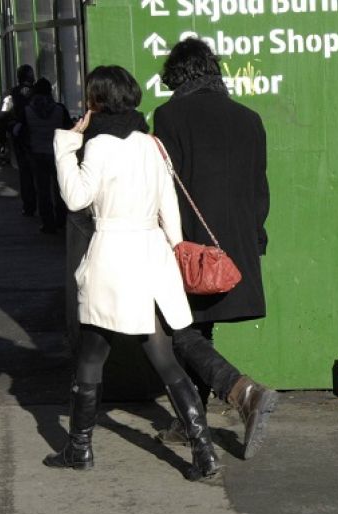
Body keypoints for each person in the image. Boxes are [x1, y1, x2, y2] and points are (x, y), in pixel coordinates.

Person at [44, 65, 221, 481]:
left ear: (97, 100)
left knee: (91, 356)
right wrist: (175, 252)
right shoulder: (151, 145)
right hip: (150, 257)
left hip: (112, 259)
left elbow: (75, 197)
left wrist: (68, 144)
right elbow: (169, 209)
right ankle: (204, 451)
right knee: (164, 357)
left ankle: (79, 449)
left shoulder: (100, 145)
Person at [153, 37, 277, 460]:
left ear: (179, 74)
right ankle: (192, 421)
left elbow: (166, 187)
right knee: (201, 327)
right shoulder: (250, 119)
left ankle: (242, 392)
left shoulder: (169, 116)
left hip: (190, 244)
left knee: (179, 329)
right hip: (236, 244)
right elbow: (260, 191)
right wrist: (252, 239)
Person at [24, 78, 72, 233]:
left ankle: (48, 223)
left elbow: (24, 132)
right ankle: (61, 219)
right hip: (56, 153)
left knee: (43, 189)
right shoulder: (59, 109)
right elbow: (68, 128)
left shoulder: (27, 110)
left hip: (37, 153)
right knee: (59, 188)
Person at [5, 65, 36, 216]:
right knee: (41, 174)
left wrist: (4, 133)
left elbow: (2, 115)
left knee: (25, 172)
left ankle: (29, 205)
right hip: (38, 136)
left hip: (21, 135)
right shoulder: (38, 92)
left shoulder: (13, 93)